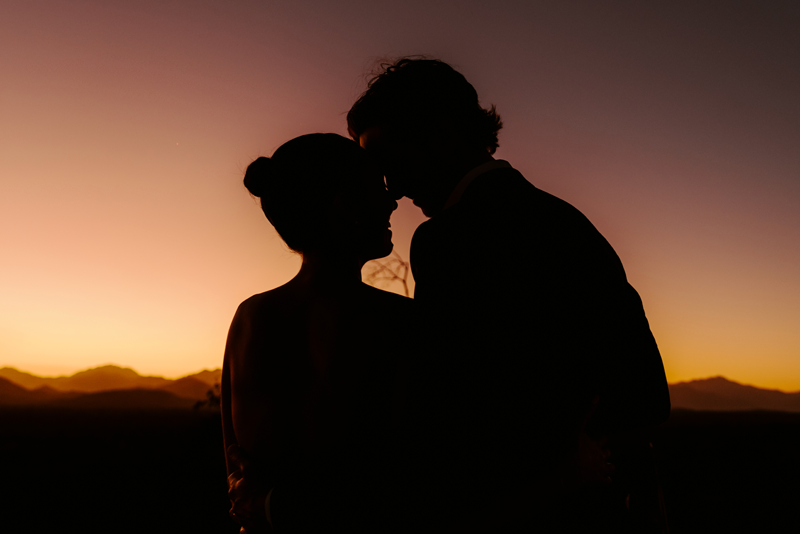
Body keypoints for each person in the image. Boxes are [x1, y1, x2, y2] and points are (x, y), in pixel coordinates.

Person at [228, 58, 671, 532]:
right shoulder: (568, 221)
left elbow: (452, 428)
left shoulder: (448, 239)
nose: (391, 188)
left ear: (440, 135)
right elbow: (643, 395)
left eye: (388, 160)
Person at [221, 133, 415, 533]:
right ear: (345, 205)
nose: (393, 200)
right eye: (378, 189)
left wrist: (270, 508)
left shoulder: (248, 318)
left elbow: (237, 468)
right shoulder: (400, 321)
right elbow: (409, 483)